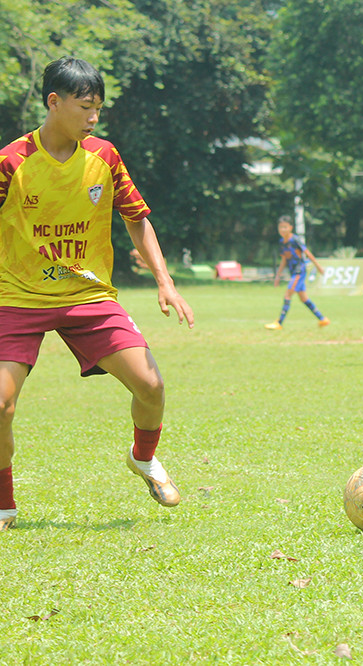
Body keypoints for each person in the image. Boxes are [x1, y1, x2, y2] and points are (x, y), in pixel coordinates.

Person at [0, 57, 195, 530]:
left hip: (88, 297)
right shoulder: (12, 161)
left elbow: (136, 218)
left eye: (98, 109)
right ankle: (4, 503)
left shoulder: (104, 157)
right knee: (0, 404)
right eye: (85, 107)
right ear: (54, 102)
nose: (93, 118)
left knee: (151, 385)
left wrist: (164, 281)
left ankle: (143, 459)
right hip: (17, 296)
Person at [265, 215, 329, 330]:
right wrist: (278, 275)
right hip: (293, 272)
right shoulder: (282, 242)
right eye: (280, 227)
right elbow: (284, 259)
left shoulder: (295, 240)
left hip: (299, 271)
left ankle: (279, 322)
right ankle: (322, 319)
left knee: (287, 294)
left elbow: (307, 253)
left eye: (285, 227)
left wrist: (318, 266)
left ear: (290, 227)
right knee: (304, 298)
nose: (282, 230)